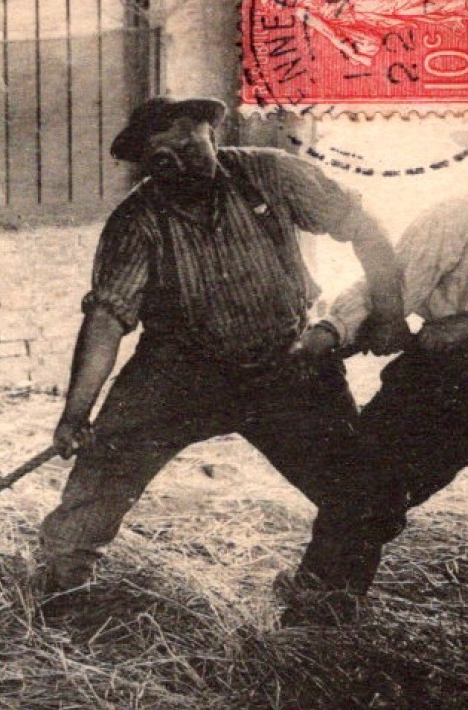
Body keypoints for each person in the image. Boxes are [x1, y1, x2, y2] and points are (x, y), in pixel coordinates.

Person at [34, 95, 407, 601]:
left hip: (286, 364)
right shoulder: (136, 221)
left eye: (190, 145)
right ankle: (59, 596)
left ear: (213, 133)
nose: (180, 162)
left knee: (364, 497)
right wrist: (76, 414)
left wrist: (387, 312)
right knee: (98, 481)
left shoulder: (272, 175)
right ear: (147, 163)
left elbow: (364, 228)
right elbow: (106, 320)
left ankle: (323, 601)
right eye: (162, 156)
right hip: (177, 374)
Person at [279, 123, 468, 625]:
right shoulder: (455, 218)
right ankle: (321, 609)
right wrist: (334, 331)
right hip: (450, 378)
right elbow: (388, 285)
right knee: (363, 484)